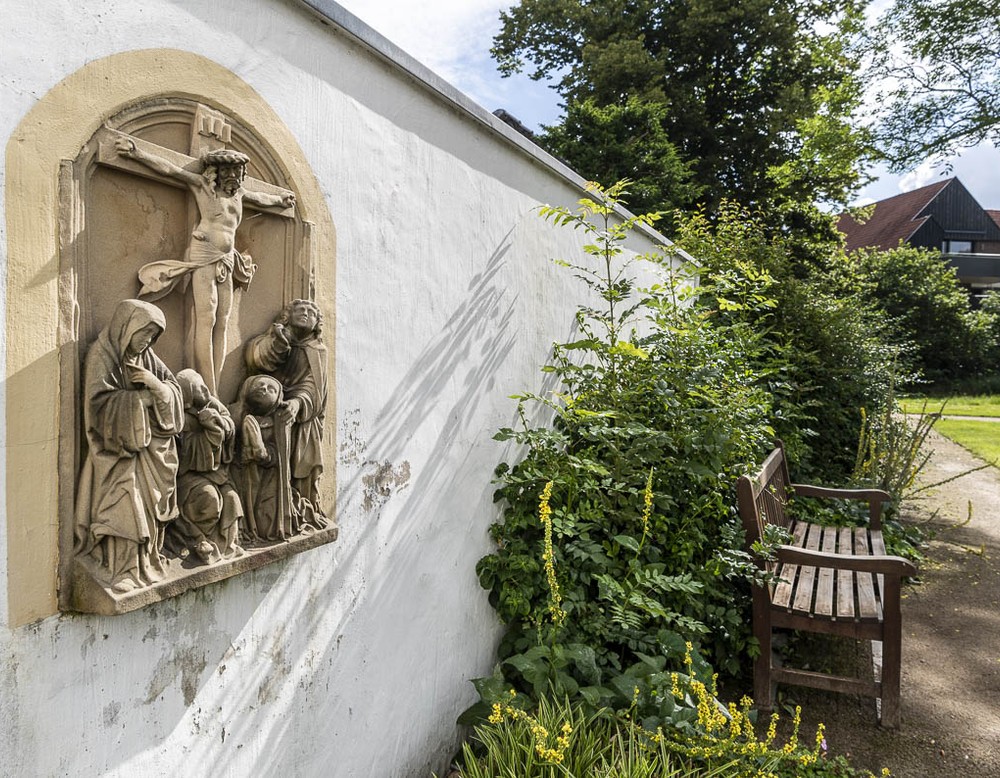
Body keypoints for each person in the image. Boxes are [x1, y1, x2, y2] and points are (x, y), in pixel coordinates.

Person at [115, 137, 296, 394]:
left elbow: (263, 198)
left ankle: (215, 384)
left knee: (222, 321)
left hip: (227, 260)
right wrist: (137, 154)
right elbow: (169, 169)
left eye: (238, 172)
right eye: (228, 171)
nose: (234, 176)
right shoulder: (203, 187)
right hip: (204, 256)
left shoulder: (240, 194)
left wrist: (281, 200)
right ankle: (206, 384)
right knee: (206, 319)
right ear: (217, 172)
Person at [74, 299, 184, 593]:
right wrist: (141, 401)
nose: (147, 341)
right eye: (143, 334)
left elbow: (172, 389)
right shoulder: (102, 355)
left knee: (145, 506)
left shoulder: (146, 357)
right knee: (125, 501)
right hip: (114, 453)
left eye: (152, 336)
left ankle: (147, 561)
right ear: (127, 326)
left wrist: (158, 387)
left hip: (148, 454)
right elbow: (98, 408)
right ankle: (123, 568)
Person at [245, 300, 328, 513]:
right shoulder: (275, 337)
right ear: (288, 315)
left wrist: (297, 402)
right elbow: (260, 360)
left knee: (298, 465)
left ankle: (297, 506)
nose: (305, 313)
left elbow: (314, 386)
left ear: (317, 323)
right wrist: (280, 342)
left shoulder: (318, 351)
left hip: (301, 415)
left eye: (311, 312)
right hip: (268, 410)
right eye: (300, 310)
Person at [168, 369, 244, 564]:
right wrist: (210, 433)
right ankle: (196, 540)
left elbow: (229, 424)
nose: (205, 391)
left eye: (204, 386)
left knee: (232, 499)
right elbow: (184, 450)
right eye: (199, 389)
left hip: (217, 474)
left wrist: (220, 424)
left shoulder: (212, 403)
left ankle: (227, 545)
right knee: (209, 500)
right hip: (190, 476)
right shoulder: (182, 418)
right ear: (189, 395)